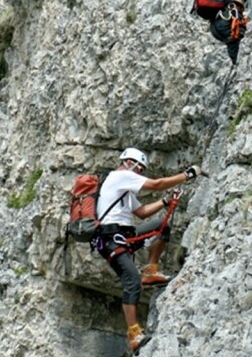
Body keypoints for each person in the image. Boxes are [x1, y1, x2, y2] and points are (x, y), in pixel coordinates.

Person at [95, 147, 202, 351]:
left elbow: (142, 212)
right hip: (111, 239)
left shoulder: (123, 188)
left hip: (124, 236)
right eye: (139, 167)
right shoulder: (120, 176)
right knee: (132, 281)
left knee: (161, 227)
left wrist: (165, 201)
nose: (140, 172)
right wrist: (187, 175)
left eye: (142, 169)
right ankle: (134, 333)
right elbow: (156, 184)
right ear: (128, 163)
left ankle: (151, 269)